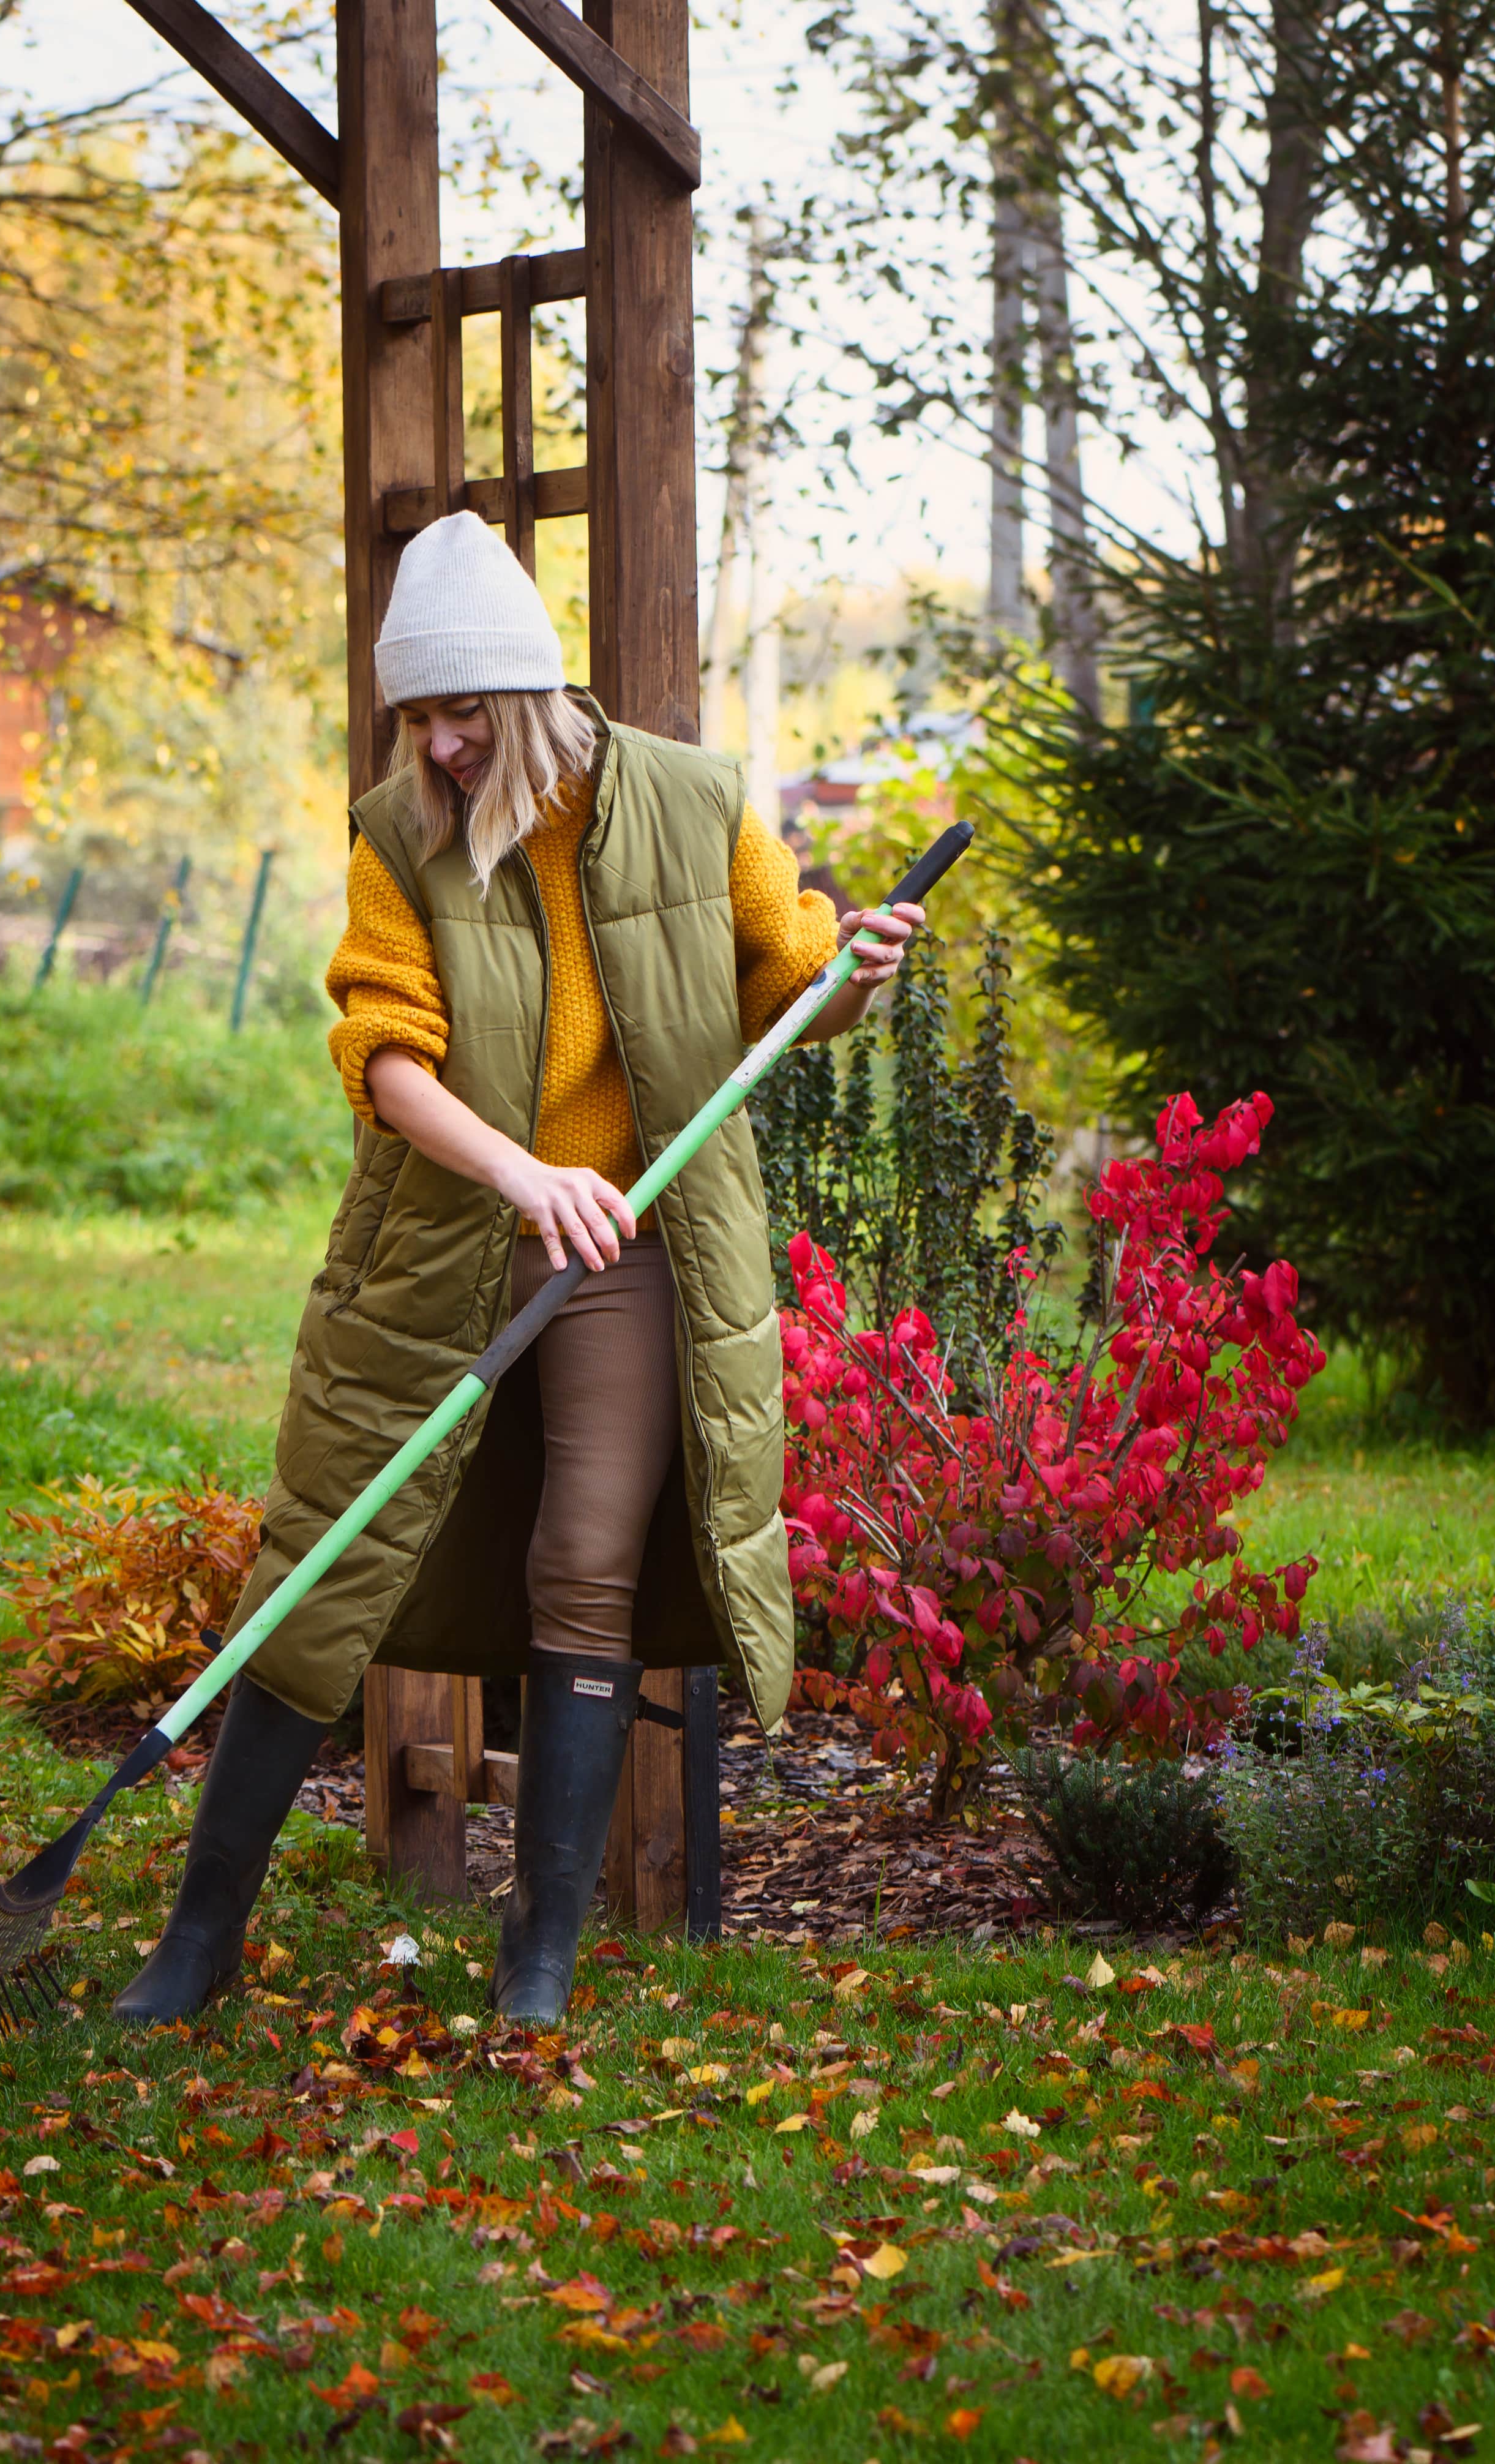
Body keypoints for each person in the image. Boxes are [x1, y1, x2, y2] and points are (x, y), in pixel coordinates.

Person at [115, 511, 920, 2028]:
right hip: (450, 1232)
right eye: (417, 715)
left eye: (460, 711)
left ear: (529, 695)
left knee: (586, 1565)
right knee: (323, 1561)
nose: (438, 743)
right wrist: (517, 1171)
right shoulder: (398, 831)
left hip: (622, 1235)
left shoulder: (695, 805)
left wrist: (848, 974)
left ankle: (537, 1954)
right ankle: (196, 1941)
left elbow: (778, 986)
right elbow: (386, 1055)